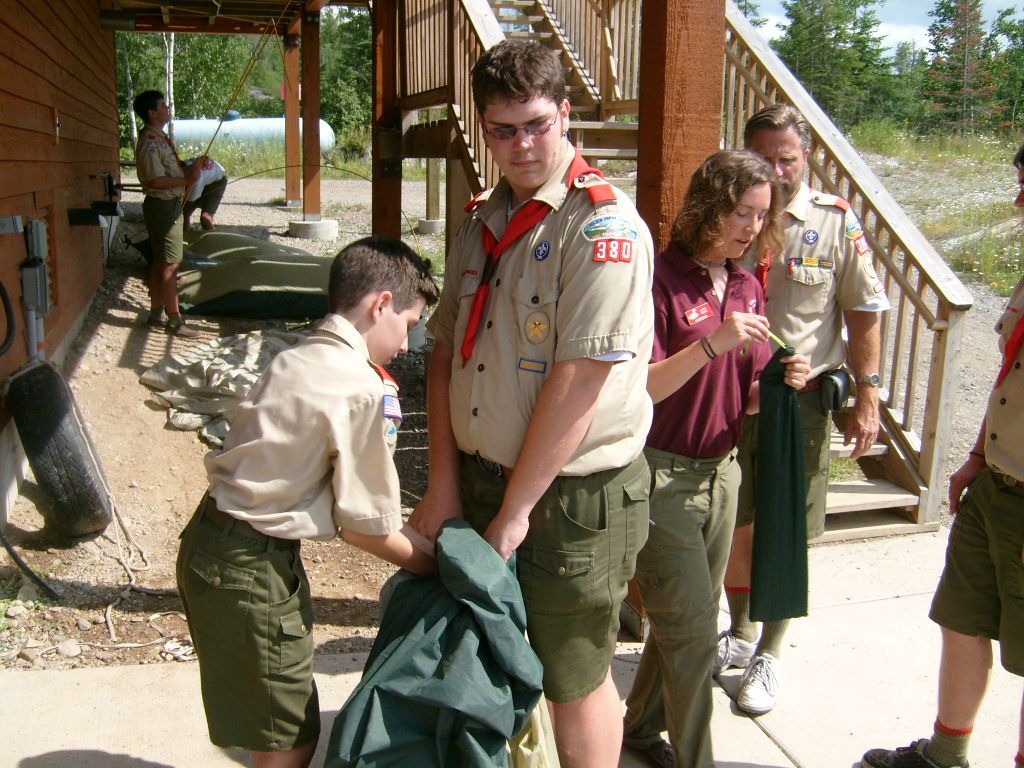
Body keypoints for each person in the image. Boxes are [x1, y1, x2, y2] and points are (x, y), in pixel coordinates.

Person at [410, 39, 654, 768]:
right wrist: (444, 483)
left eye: (537, 125)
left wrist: (514, 513)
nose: (521, 146)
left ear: (565, 115)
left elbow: (580, 380)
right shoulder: (480, 217)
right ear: (484, 129)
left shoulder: (601, 226)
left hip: (570, 499)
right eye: (502, 130)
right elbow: (446, 355)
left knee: (572, 676)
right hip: (482, 481)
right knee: (496, 656)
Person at [176, 235, 439, 768]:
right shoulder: (360, 388)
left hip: (211, 544)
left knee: (270, 717)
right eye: (410, 325)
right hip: (251, 566)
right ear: (381, 305)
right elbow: (364, 528)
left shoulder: (300, 353)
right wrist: (438, 565)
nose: (407, 346)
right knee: (289, 735)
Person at [622, 150, 810, 768]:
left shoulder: (749, 285)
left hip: (723, 474)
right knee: (696, 632)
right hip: (661, 476)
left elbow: (745, 395)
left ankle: (639, 731)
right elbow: (643, 387)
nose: (752, 227)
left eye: (761, 216)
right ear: (708, 207)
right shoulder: (659, 279)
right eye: (741, 212)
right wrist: (712, 344)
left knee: (684, 623)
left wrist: (783, 384)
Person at [716, 103, 891, 714]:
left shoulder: (833, 222)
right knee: (733, 518)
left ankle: (771, 650)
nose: (775, 169)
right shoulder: (729, 215)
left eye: (786, 158)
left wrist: (868, 393)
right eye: (762, 157)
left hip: (801, 402)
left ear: (806, 156)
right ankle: (740, 629)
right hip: (732, 397)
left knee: (786, 526)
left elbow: (864, 311)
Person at [859, 143, 1024, 768]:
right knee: (962, 619)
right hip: (997, 488)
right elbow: (1011, 378)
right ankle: (945, 756)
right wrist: (979, 454)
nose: (1018, 202)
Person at [132, 89, 207, 337]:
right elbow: (155, 180)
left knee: (159, 261)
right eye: (163, 106)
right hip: (163, 206)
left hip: (166, 205)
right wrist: (187, 180)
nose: (167, 109)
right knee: (170, 264)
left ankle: (156, 313)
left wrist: (192, 165)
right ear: (151, 113)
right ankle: (174, 320)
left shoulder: (159, 138)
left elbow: (169, 170)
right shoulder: (150, 142)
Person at [182, 155, 227, 230]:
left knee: (205, 219)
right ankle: (186, 233)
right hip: (204, 178)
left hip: (218, 182)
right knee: (184, 214)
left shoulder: (196, 180)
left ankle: (212, 236)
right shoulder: (178, 169)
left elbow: (187, 206)